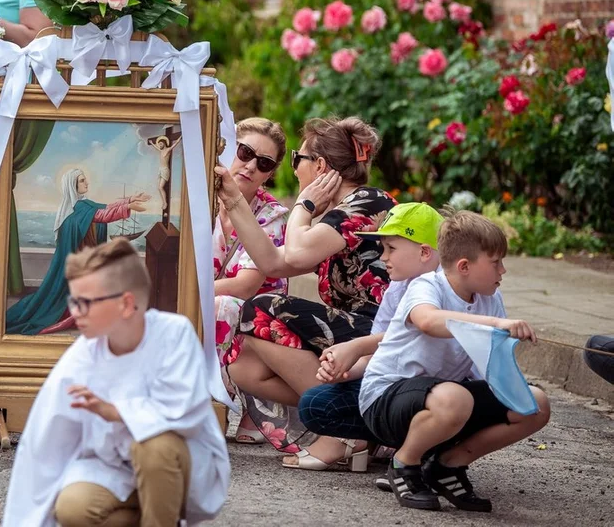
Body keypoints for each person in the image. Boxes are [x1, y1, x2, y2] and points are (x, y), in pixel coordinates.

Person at [2, 238, 230, 526]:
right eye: (73, 301)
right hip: (113, 469)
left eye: (85, 302)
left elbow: (183, 410)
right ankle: (149, 514)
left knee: (152, 445)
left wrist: (115, 411)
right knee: (73, 508)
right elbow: (44, 442)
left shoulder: (174, 334)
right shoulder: (82, 356)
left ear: (126, 304)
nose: (75, 312)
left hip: (176, 463)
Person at [215, 115, 396, 465]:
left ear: (321, 166)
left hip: (381, 332)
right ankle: (353, 424)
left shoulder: (366, 203)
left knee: (260, 310)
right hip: (359, 328)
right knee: (243, 365)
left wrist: (303, 206)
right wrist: (236, 200)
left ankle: (343, 433)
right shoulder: (343, 213)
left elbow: (293, 253)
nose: (296, 169)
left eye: (298, 158)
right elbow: (272, 262)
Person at [359, 211, 551, 512]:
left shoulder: (489, 298)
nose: (503, 270)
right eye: (495, 262)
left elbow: (489, 367)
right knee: (456, 397)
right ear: (464, 266)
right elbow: (427, 320)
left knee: (534, 403)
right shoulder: (426, 286)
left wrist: (509, 387)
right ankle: (404, 463)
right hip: (384, 400)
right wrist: (493, 323)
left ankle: (447, 465)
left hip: (444, 400)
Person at [298, 203, 444, 490]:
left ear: (424, 252)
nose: (384, 258)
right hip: (397, 385)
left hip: (435, 389)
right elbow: (382, 353)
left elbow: (415, 334)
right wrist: (346, 372)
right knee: (315, 404)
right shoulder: (397, 286)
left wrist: (355, 347)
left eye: (391, 249)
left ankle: (424, 451)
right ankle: (401, 442)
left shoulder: (441, 285)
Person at [212, 117, 290, 445]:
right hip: (203, 305)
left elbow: (244, 287)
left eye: (264, 163)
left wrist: (180, 292)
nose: (250, 166)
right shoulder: (192, 199)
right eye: (244, 152)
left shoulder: (272, 216)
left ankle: (216, 397)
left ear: (270, 173)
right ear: (227, 148)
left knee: (224, 304)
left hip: (251, 317)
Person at [5, 168, 150, 335]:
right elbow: (103, 215)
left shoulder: (85, 204)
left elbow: (106, 208)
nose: (86, 182)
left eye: (85, 179)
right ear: (73, 186)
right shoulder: (80, 208)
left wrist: (130, 200)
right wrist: (129, 206)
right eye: (82, 180)